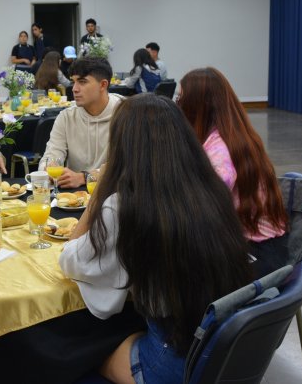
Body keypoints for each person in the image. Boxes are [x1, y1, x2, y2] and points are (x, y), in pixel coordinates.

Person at [59, 94, 253, 384]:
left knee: (74, 351)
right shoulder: (212, 189)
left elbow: (70, 259)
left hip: (174, 362)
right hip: (223, 347)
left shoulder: (125, 206)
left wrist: (100, 188)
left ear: (123, 146)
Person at [177, 67, 288, 277]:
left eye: (181, 98)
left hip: (259, 254)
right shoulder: (228, 136)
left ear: (197, 106)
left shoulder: (221, 152)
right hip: (257, 245)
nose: (177, 105)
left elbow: (204, 208)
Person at [39, 57, 123, 188]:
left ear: (103, 85)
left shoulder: (126, 114)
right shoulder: (66, 117)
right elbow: (51, 154)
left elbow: (129, 165)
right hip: (74, 194)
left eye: (82, 82)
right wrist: (48, 168)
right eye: (73, 82)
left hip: (115, 190)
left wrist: (85, 177)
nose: (74, 89)